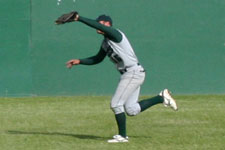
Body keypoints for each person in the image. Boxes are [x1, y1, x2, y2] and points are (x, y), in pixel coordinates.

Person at [66, 13, 178, 143]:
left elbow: (96, 25)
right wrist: (80, 61)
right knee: (131, 110)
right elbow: (97, 59)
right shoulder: (105, 42)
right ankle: (162, 97)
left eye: (100, 23)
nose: (97, 25)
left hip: (132, 72)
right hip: (130, 73)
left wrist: (79, 18)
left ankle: (123, 136)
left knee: (116, 104)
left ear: (108, 24)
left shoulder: (115, 34)